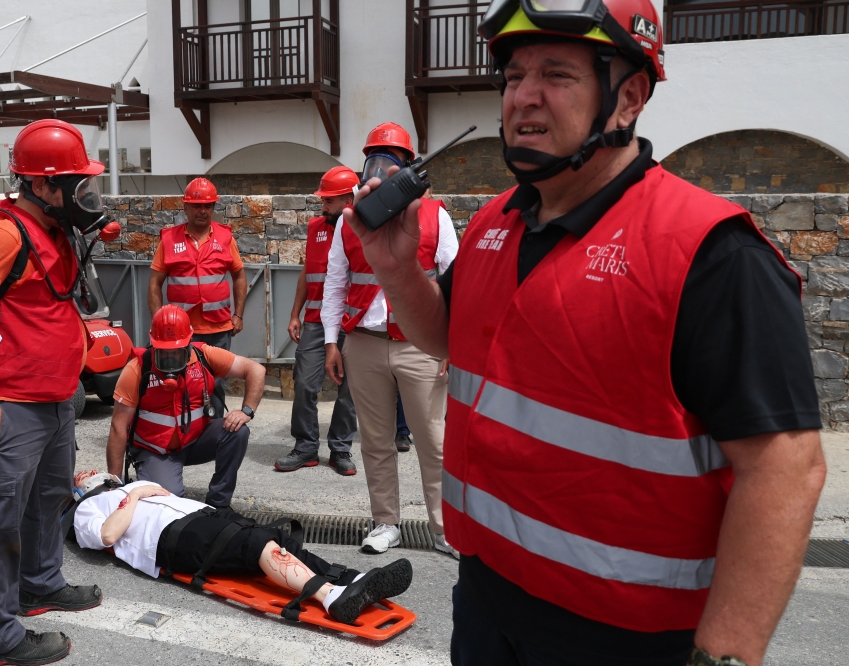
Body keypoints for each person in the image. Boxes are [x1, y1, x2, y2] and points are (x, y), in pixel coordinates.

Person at [342, 1, 826, 665]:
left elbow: (784, 467)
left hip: (625, 641)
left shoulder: (713, 255)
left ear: (629, 98)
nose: (524, 97)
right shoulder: (492, 227)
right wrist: (397, 269)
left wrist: (725, 657)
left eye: (556, 75)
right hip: (486, 606)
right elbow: (451, 340)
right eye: (514, 76)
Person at [0, 119, 112, 666]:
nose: (86, 194)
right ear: (44, 185)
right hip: (8, 409)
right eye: (77, 184)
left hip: (54, 402)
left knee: (48, 502)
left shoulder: (54, 230)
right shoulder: (0, 234)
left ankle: (40, 583)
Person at [322, 121, 460, 558]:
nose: (381, 171)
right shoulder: (350, 221)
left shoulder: (435, 216)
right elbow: (335, 284)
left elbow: (457, 283)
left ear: (410, 168)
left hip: (421, 346)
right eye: (374, 161)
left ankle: (445, 528)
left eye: (392, 161)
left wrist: (453, 344)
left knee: (434, 442)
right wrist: (331, 342)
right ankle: (385, 523)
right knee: (376, 441)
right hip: (364, 342)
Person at [70, 469, 413, 625]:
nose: (88, 470)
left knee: (276, 538)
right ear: (79, 490)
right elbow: (107, 536)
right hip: (169, 537)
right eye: (81, 474)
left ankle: (351, 579)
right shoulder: (87, 507)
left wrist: (136, 488)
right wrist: (134, 495)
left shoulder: (133, 483)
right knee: (255, 544)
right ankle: (330, 597)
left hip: (203, 516)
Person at [106, 304, 265, 510]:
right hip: (156, 450)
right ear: (153, 345)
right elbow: (118, 427)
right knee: (168, 504)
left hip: (196, 441)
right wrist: (115, 485)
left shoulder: (204, 356)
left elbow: (255, 370)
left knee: (237, 432)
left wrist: (246, 411)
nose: (170, 360)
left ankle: (219, 505)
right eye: (163, 354)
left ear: (189, 343)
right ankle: (157, 478)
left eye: (177, 353)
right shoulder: (137, 369)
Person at [275, 166, 359, 475]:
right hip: (314, 322)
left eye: (328, 201)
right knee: (304, 385)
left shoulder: (367, 229)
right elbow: (307, 271)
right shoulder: (316, 228)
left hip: (352, 324)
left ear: (348, 201)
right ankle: (306, 447)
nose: (322, 206)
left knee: (350, 390)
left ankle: (340, 449)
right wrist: (294, 313)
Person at [148, 177, 247, 419]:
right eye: (196, 206)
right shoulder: (169, 240)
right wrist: (160, 321)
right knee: (180, 381)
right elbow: (154, 284)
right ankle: (183, 428)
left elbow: (239, 276)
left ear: (213, 207)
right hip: (181, 332)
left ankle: (214, 429)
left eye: (208, 206)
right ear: (186, 207)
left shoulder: (225, 238)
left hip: (218, 329)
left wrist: (238, 315)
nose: (202, 211)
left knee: (216, 384)